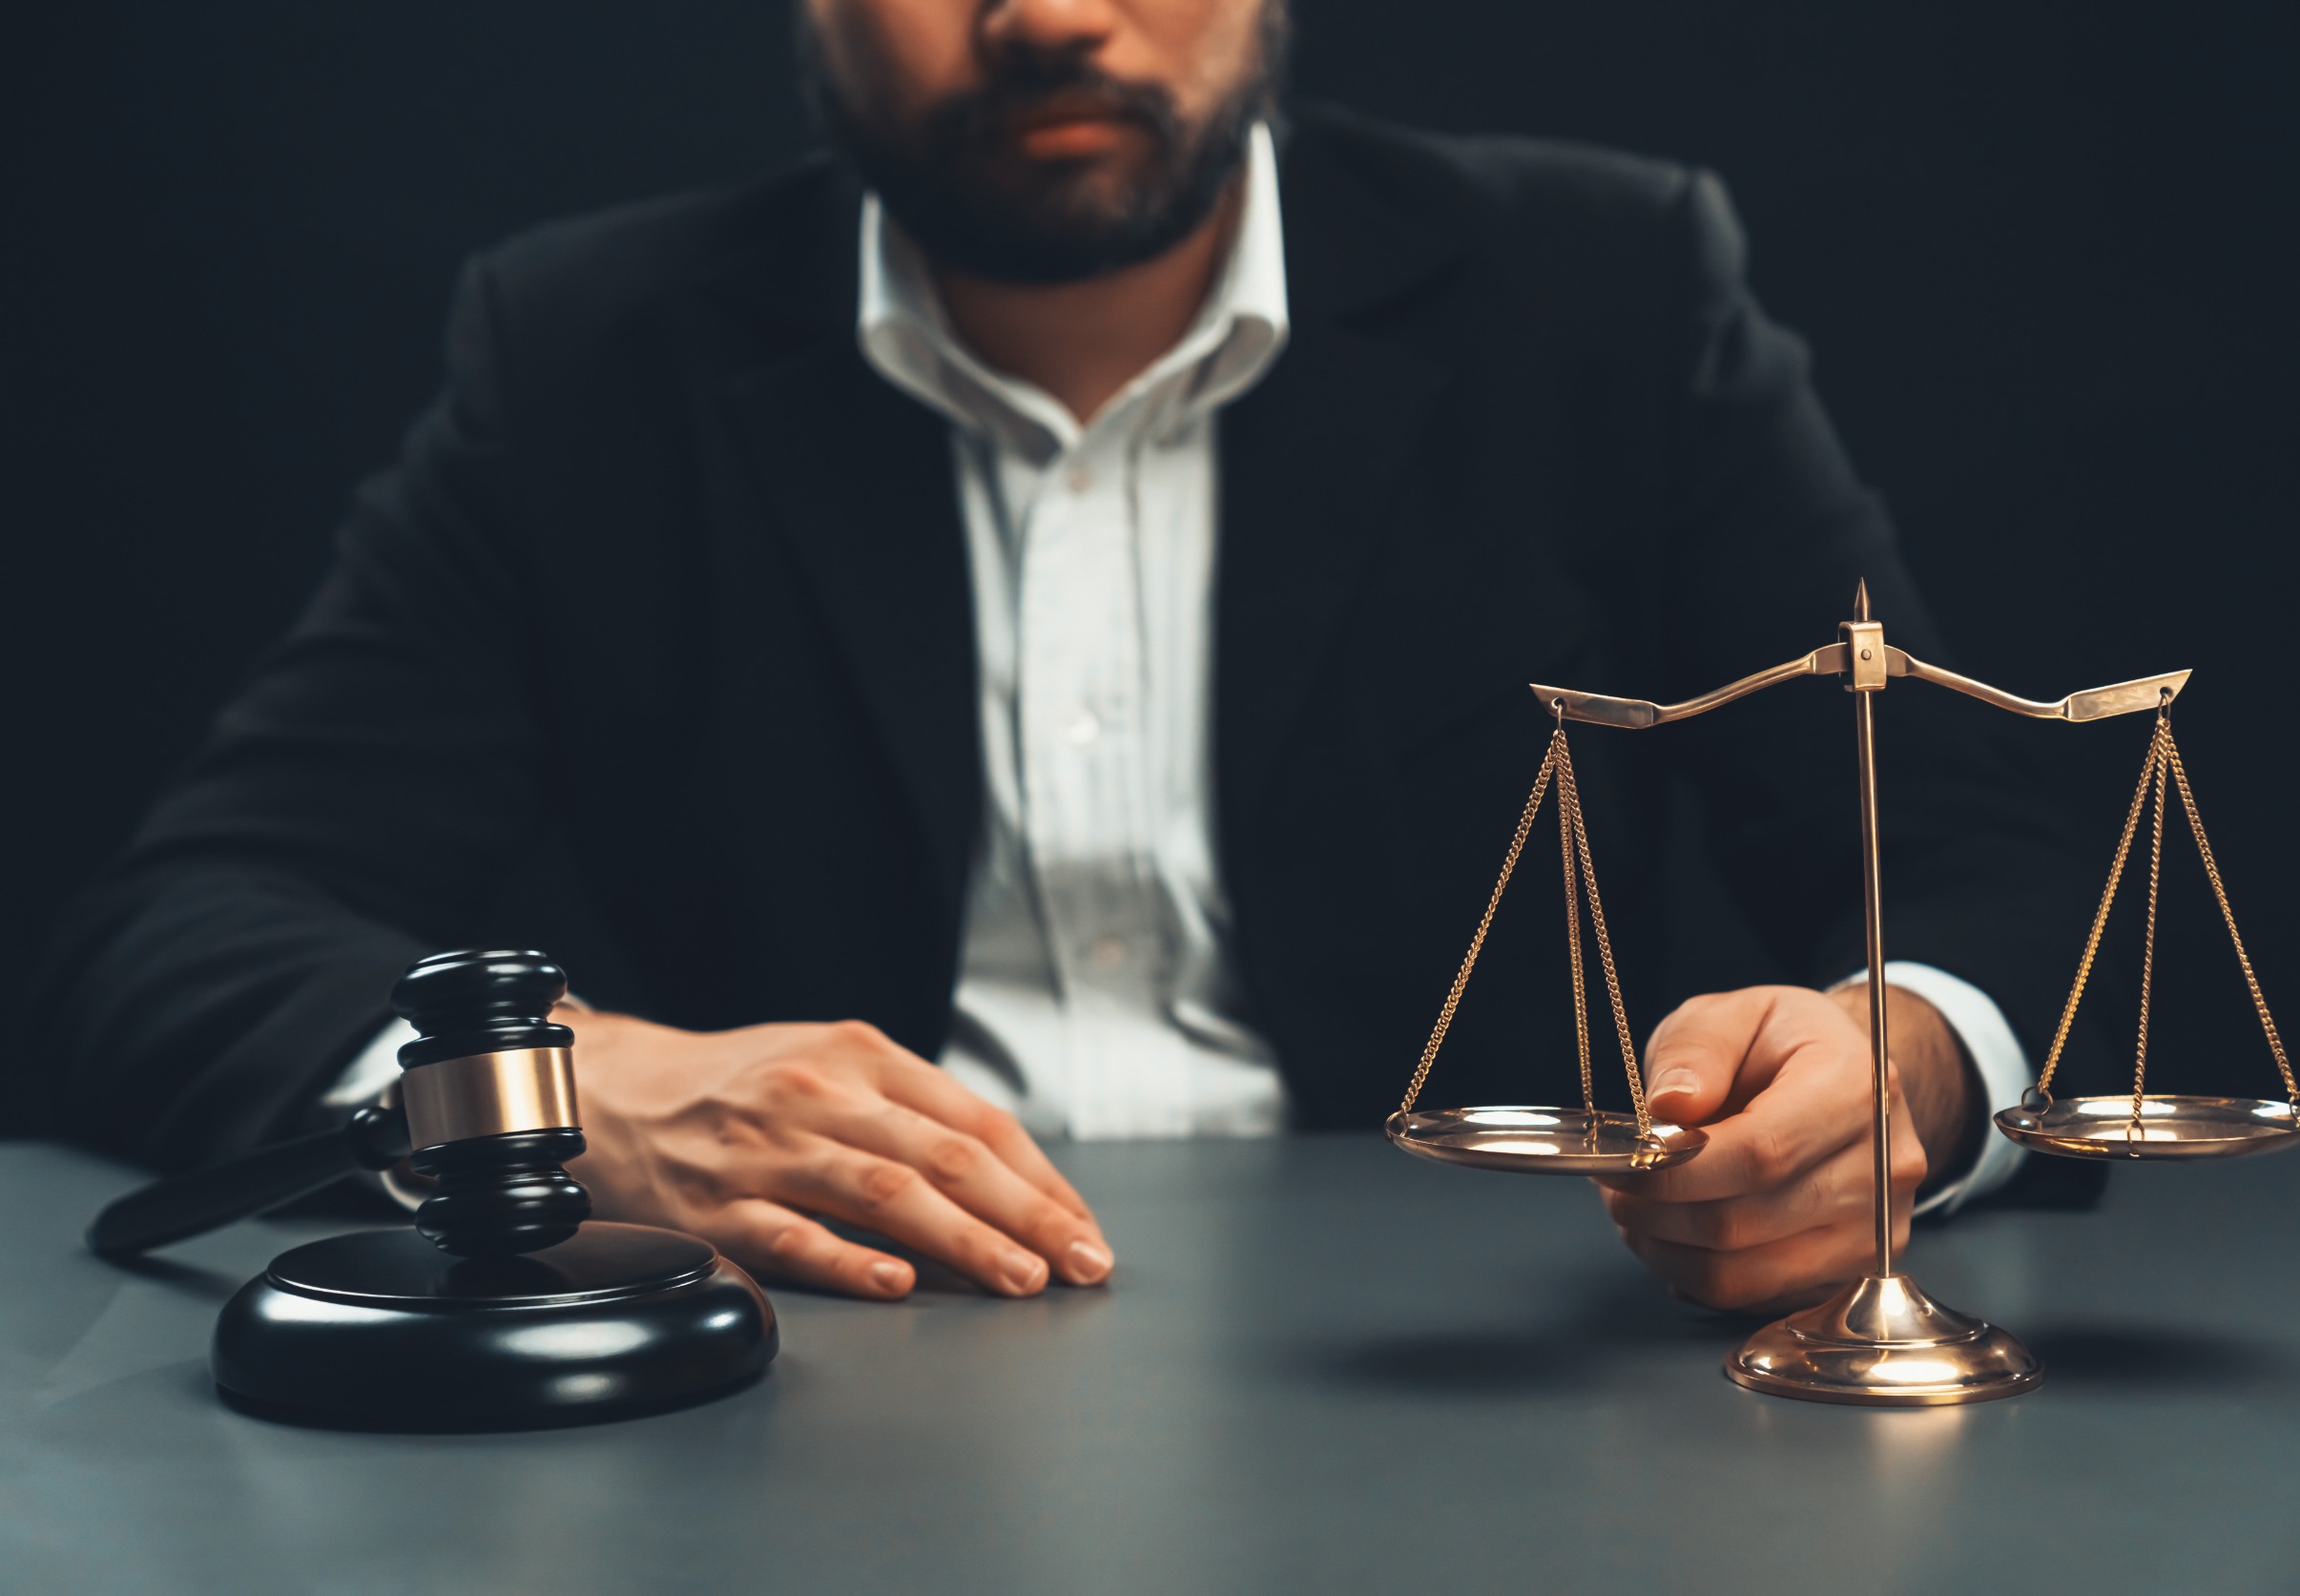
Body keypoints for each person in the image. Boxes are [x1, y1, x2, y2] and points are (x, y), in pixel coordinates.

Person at [33, 0, 2101, 1316]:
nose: (1046, 13)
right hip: (817, 1400)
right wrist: (561, 1106)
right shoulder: (588, 357)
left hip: (1499, 1378)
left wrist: (1902, 1073)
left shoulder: (1611, 291)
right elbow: (185, 927)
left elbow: (1983, 866)